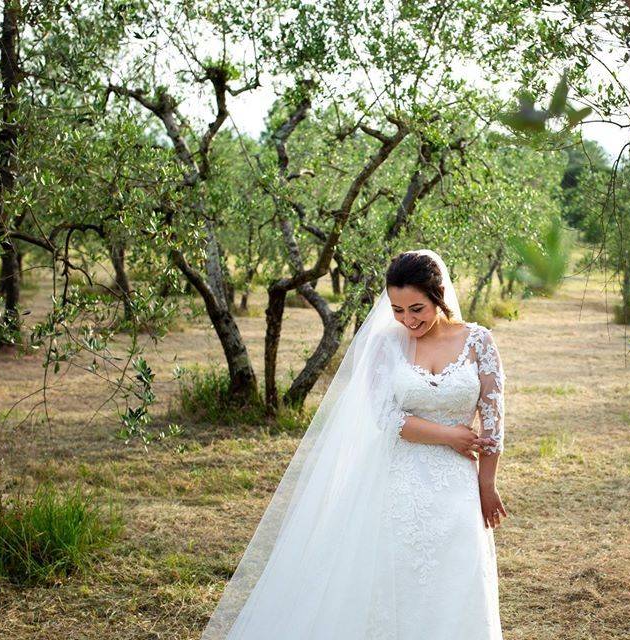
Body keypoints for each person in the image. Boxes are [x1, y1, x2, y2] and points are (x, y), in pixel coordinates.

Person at [200, 249, 507, 639]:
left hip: (456, 484)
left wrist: (487, 485)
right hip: (397, 475)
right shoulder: (385, 345)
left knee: (456, 572)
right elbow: (385, 418)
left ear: (439, 296)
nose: (408, 320)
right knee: (390, 573)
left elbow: (494, 424)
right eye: (397, 310)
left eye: (417, 308)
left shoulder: (479, 342)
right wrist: (449, 435)